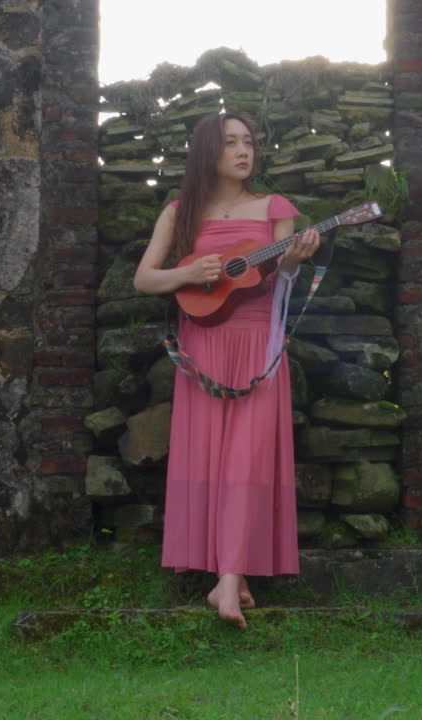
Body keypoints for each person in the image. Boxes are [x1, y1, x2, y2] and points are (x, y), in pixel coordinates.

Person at [133, 112, 321, 629]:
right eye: (231, 142)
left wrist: (297, 257)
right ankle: (230, 581)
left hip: (258, 343)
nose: (244, 150)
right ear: (207, 152)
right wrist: (189, 272)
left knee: (247, 461)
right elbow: (145, 279)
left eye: (249, 141)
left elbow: (282, 273)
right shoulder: (180, 212)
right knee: (211, 461)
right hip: (202, 346)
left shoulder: (275, 208)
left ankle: (229, 581)